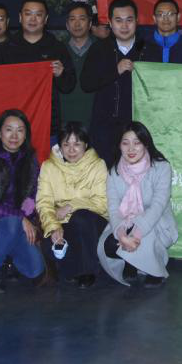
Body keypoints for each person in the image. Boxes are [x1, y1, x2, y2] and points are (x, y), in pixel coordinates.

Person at [0, 110, 48, 291]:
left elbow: (32, 197)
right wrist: (20, 218)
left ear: (25, 135)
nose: (14, 136)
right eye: (9, 130)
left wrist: (25, 217)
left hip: (19, 228)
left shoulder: (30, 160)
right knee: (11, 222)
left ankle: (9, 258)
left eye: (20, 130)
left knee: (36, 271)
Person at [100, 122, 177, 288]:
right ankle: (132, 261)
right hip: (125, 223)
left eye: (137, 143)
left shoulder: (162, 168)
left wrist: (135, 235)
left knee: (144, 225)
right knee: (109, 245)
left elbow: (158, 206)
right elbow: (113, 208)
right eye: (125, 143)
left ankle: (154, 269)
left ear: (146, 144)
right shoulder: (114, 172)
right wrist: (122, 235)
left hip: (156, 224)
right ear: (119, 146)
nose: (131, 149)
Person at [82, 0, 157, 164]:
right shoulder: (99, 48)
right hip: (105, 128)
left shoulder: (149, 49)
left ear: (137, 21)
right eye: (118, 20)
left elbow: (160, 88)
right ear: (110, 22)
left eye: (129, 20)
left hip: (140, 127)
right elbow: (86, 84)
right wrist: (115, 71)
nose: (124, 26)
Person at [37, 123, 110, 289]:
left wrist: (71, 206)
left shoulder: (98, 164)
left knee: (80, 218)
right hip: (61, 221)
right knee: (49, 245)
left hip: (92, 220)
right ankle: (72, 270)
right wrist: (54, 227)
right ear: (60, 146)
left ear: (86, 145)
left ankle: (88, 271)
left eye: (77, 144)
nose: (71, 150)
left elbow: (102, 203)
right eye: (66, 144)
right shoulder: (48, 167)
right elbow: (44, 202)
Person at [0, 0, 69, 139]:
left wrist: (61, 74)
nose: (33, 19)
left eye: (38, 14)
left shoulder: (57, 48)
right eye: (28, 14)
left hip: (48, 124)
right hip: (14, 126)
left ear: (46, 19)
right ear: (20, 17)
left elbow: (68, 86)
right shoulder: (6, 49)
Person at [59, 2, 100, 126]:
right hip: (63, 120)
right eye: (72, 19)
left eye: (82, 19)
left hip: (95, 119)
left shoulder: (102, 49)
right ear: (67, 25)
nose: (77, 24)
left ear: (90, 24)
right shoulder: (57, 49)